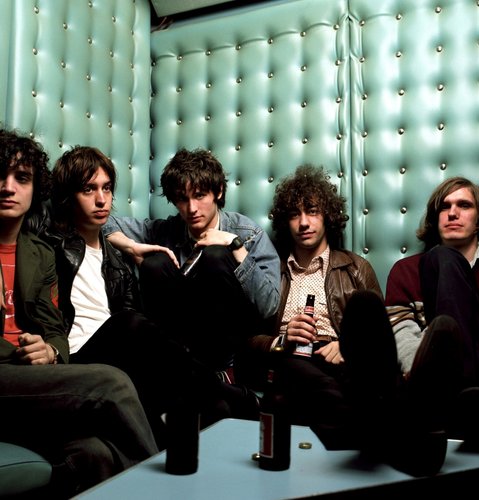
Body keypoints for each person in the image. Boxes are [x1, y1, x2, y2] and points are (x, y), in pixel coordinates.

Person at [245, 165, 444, 475]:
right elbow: (248, 340)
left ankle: (384, 415)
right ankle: (396, 440)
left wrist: (346, 345)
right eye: (295, 214)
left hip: (347, 363)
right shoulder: (273, 271)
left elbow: (379, 333)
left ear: (327, 215)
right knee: (300, 370)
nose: (304, 222)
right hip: (291, 361)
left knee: (365, 311)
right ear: (286, 221)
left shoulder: (355, 268)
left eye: (312, 211)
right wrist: (281, 340)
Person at [0, 128, 158, 498]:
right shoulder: (55, 241)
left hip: (33, 382)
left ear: (34, 188)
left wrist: (50, 350)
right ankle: (170, 492)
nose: (8, 187)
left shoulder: (38, 254)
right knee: (111, 382)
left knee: (94, 453)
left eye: (21, 178)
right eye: (0, 176)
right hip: (8, 372)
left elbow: (54, 328)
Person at [44, 145, 210, 446]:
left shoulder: (116, 261)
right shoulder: (51, 245)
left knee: (173, 388)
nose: (101, 199)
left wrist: (127, 247)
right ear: (69, 196)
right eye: (88, 189)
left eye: (107, 188)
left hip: (118, 355)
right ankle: (221, 388)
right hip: (75, 356)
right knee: (129, 324)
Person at [102, 147, 281, 417]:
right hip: (180, 348)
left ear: (218, 191)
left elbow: (269, 307)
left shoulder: (247, 234)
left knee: (215, 255)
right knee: (154, 263)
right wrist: (131, 247)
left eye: (199, 196)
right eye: (182, 199)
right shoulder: (167, 230)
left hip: (228, 350)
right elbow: (103, 222)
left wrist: (235, 246)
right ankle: (185, 375)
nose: (192, 209)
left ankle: (220, 376)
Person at [385, 176, 479, 449]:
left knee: (445, 258)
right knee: (442, 257)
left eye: (464, 205)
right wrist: (424, 372)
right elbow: (402, 334)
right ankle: (459, 398)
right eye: (444, 207)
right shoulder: (405, 271)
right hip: (432, 387)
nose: (452, 213)